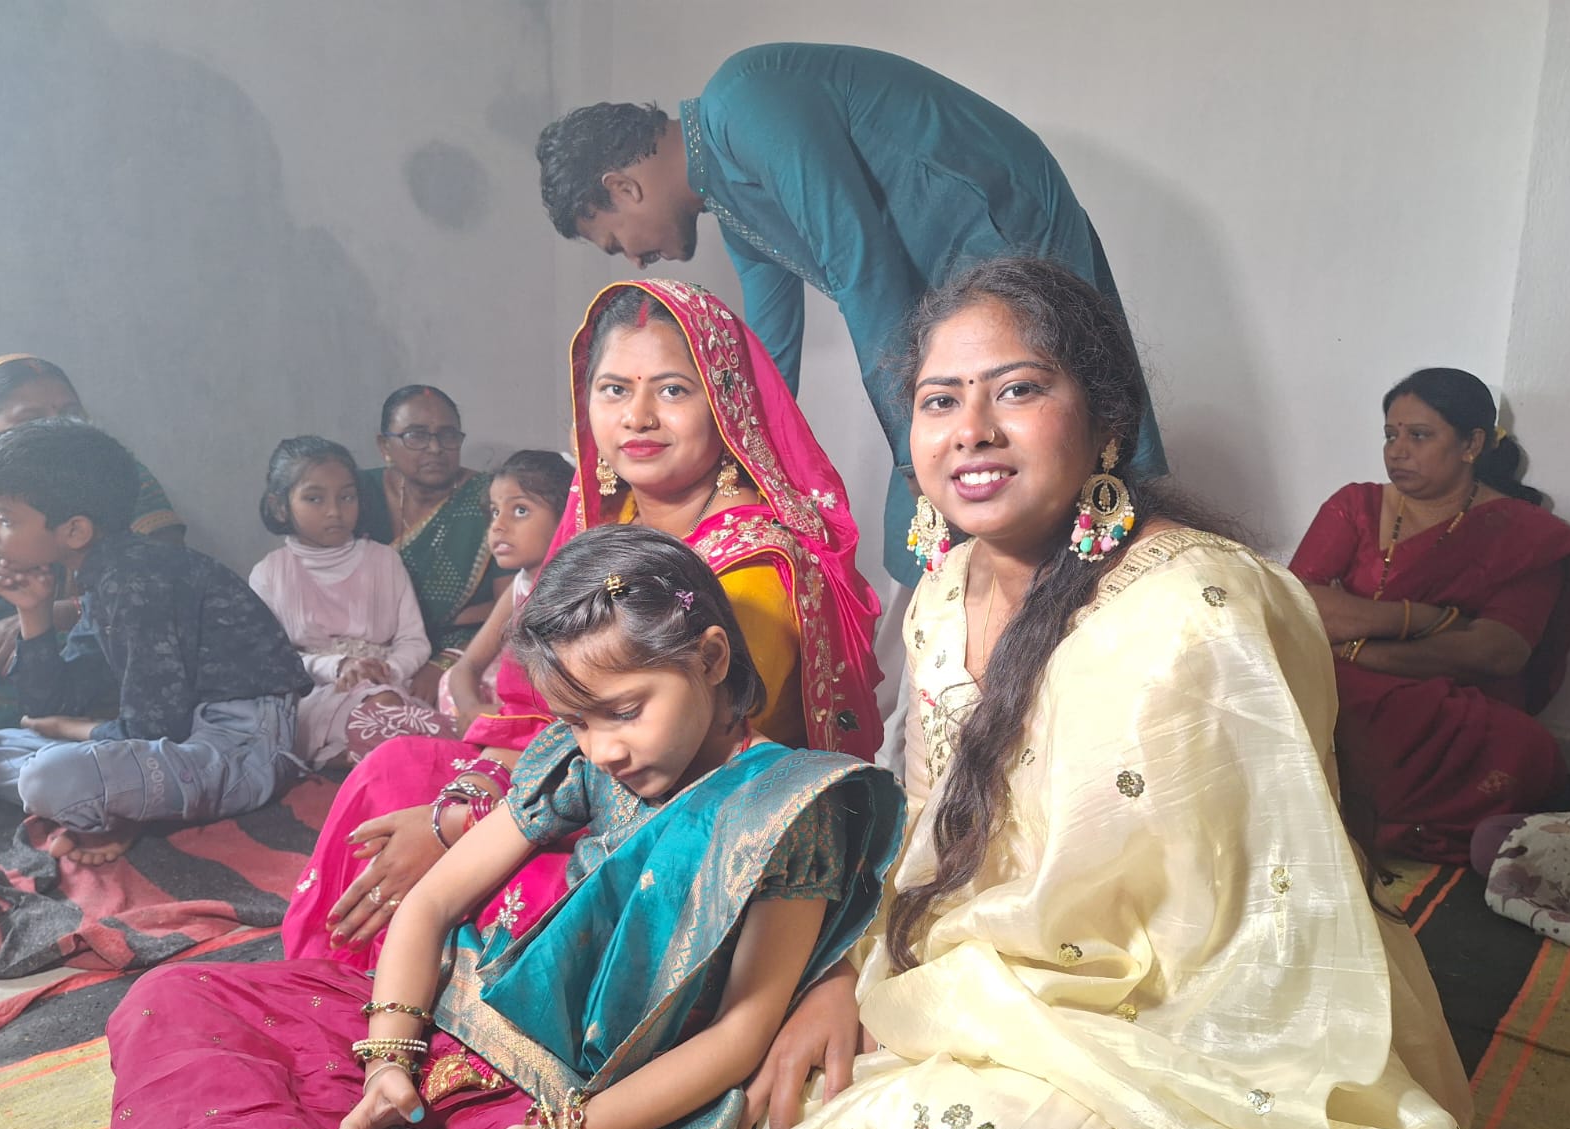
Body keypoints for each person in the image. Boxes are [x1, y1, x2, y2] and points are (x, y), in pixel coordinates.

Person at [730, 259, 1475, 1129]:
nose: (972, 430)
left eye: (1018, 390)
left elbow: (1239, 921)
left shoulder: (1195, 608)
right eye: (939, 400)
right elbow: (926, 827)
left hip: (1162, 1015)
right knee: (772, 1099)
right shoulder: (939, 595)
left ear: (1108, 422)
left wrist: (986, 1010)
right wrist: (849, 976)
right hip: (962, 970)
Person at [108, 524, 905, 1129]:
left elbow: (739, 1034)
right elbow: (430, 905)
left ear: (712, 656)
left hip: (593, 1103)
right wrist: (388, 1063)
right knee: (173, 997)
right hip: (460, 1025)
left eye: (625, 712)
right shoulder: (585, 759)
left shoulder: (786, 807)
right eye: (577, 722)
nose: (603, 748)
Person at [283, 279, 883, 967]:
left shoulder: (752, 572)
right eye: (614, 390)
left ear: (726, 402)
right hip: (569, 776)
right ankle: (357, 984)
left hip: (674, 831)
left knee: (460, 850)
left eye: (673, 390)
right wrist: (474, 794)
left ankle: (393, 988)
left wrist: (462, 825)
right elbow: (539, 709)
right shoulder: (607, 519)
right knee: (393, 770)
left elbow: (679, 784)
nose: (639, 417)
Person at [535, 43, 1168, 591]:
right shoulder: (734, 214)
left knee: (1038, 479)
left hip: (1002, 229)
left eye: (615, 241)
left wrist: (910, 450)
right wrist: (727, 477)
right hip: (945, 291)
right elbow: (766, 369)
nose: (636, 259)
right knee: (921, 536)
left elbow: (864, 267)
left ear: (623, 188)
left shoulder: (743, 99)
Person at [1289, 368, 1570, 864]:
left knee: (1528, 752)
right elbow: (1297, 603)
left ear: (1472, 444)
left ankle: (1352, 814)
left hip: (1447, 705)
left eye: (1419, 435)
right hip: (1345, 687)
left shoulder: (1521, 532)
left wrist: (1357, 647)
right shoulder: (1356, 505)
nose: (1396, 451)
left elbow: (1498, 650)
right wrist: (1422, 618)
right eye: (1390, 435)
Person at [0, 419, 310, 865]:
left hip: (239, 749)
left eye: (6, 519)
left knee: (47, 778)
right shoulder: (105, 579)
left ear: (74, 531)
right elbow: (54, 702)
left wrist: (69, 730)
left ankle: (115, 808)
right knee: (15, 752)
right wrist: (35, 612)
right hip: (175, 744)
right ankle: (114, 803)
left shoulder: (137, 581)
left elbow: (154, 728)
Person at [0, 354, 184, 727]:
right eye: (31, 418)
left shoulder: (113, 476)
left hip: (96, 640)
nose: (57, 427)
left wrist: (56, 613)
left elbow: (168, 583)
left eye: (70, 413)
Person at [250, 436, 441, 769]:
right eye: (314, 498)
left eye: (347, 497)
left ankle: (370, 760)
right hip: (315, 693)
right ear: (280, 506)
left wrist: (386, 671)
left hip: (389, 684)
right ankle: (364, 759)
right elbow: (273, 662)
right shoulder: (269, 574)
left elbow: (414, 640)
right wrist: (338, 667)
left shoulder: (384, 561)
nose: (334, 511)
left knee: (386, 708)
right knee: (380, 720)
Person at [358, 384, 511, 703]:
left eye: (448, 435)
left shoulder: (489, 499)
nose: (435, 448)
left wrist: (446, 661)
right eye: (416, 435)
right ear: (385, 446)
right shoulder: (355, 494)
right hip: (366, 648)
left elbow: (512, 609)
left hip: (464, 645)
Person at [439, 450, 574, 727]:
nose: (498, 526)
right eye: (495, 511)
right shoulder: (519, 586)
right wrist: (473, 711)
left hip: (548, 717)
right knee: (449, 681)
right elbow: (467, 666)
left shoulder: (575, 589)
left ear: (565, 516)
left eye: (520, 510)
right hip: (498, 713)